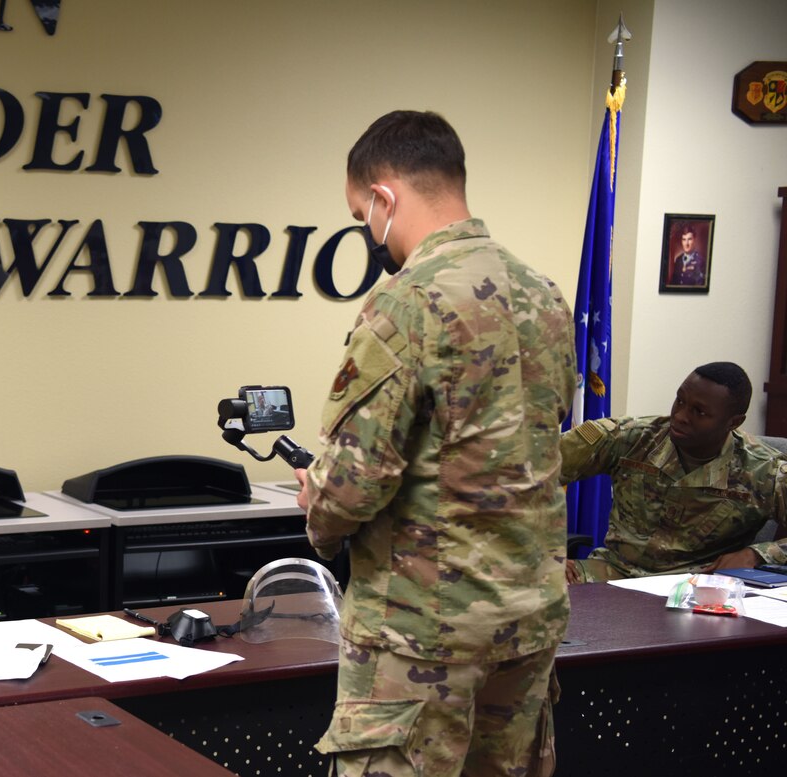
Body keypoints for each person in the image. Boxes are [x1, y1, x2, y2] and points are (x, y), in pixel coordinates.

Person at [294, 110, 576, 777]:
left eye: (362, 212)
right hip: (527, 623)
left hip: (422, 630)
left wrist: (317, 502)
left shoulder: (405, 302)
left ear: (385, 197)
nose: (368, 230)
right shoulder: (545, 296)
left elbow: (355, 483)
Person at [563, 362, 787, 584]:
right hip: (613, 573)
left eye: (699, 412)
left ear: (734, 422)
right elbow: (531, 476)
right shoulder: (631, 438)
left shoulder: (763, 470)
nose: (680, 416)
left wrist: (755, 555)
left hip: (698, 587)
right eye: (680, 400)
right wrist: (544, 556)